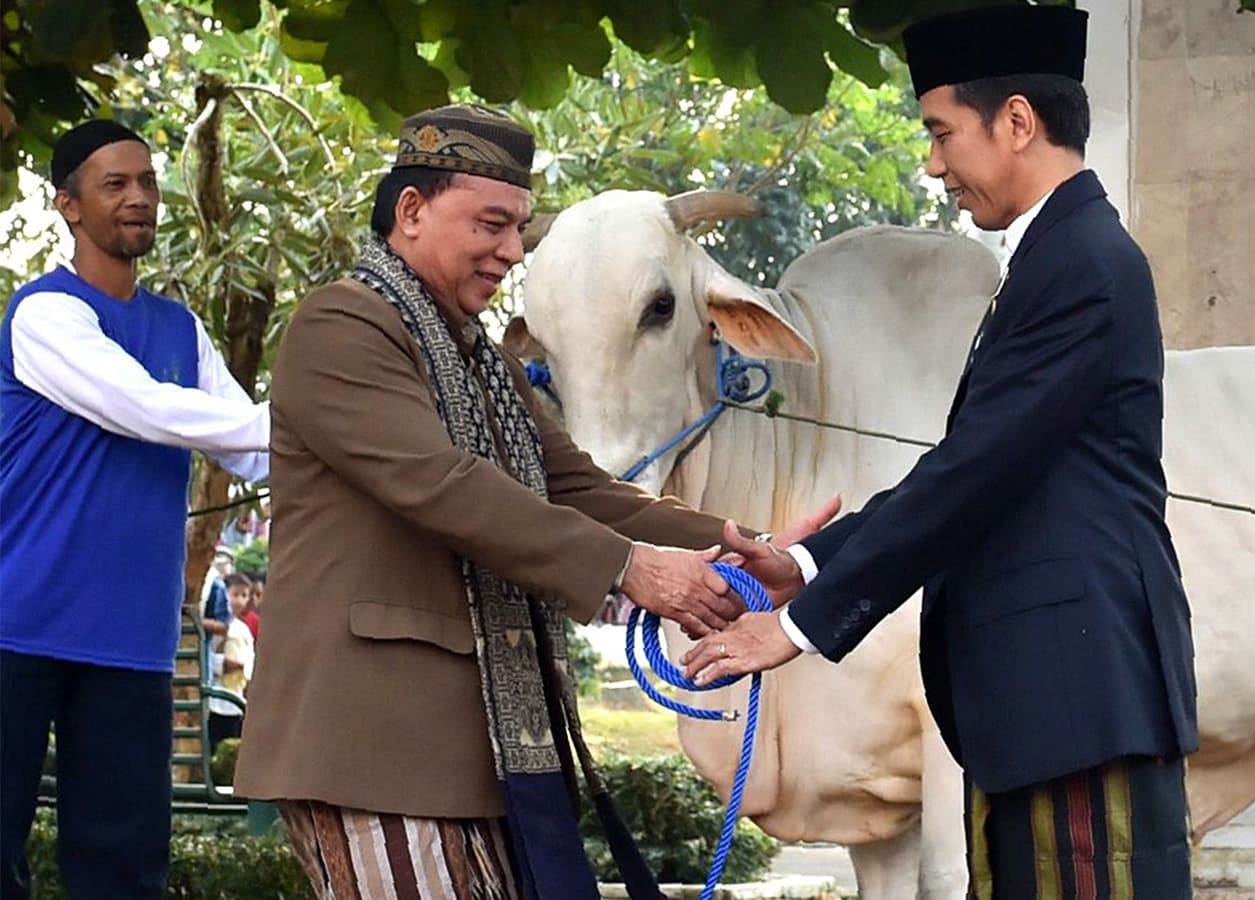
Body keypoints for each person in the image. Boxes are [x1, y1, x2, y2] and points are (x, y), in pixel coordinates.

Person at [235, 104, 834, 900]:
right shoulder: (341, 324)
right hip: (370, 745)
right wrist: (633, 570)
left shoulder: (481, 358)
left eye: (518, 227)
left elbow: (579, 490)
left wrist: (752, 545)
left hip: (476, 752)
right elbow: (442, 485)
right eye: (491, 224)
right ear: (410, 211)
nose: (511, 251)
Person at [686, 7, 1199, 898]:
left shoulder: (1083, 262)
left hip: (1078, 695)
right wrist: (802, 563)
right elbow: (965, 464)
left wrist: (798, 628)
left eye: (940, 133)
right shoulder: (1049, 260)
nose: (933, 165)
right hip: (1038, 702)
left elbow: (972, 476)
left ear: (1015, 123)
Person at [0, 120, 269, 899]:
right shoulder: (44, 315)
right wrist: (322, 418)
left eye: (148, 182)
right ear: (68, 206)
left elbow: (253, 451)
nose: (140, 198)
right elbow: (147, 408)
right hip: (16, 627)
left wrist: (363, 440)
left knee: (124, 874)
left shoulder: (180, 330)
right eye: (115, 184)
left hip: (130, 643)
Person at [206, 573, 256, 753]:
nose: (239, 600)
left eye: (244, 595)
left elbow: (250, 660)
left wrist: (243, 668)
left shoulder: (243, 630)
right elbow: (210, 657)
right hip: (215, 701)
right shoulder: (214, 627)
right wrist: (225, 665)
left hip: (236, 700)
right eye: (235, 594)